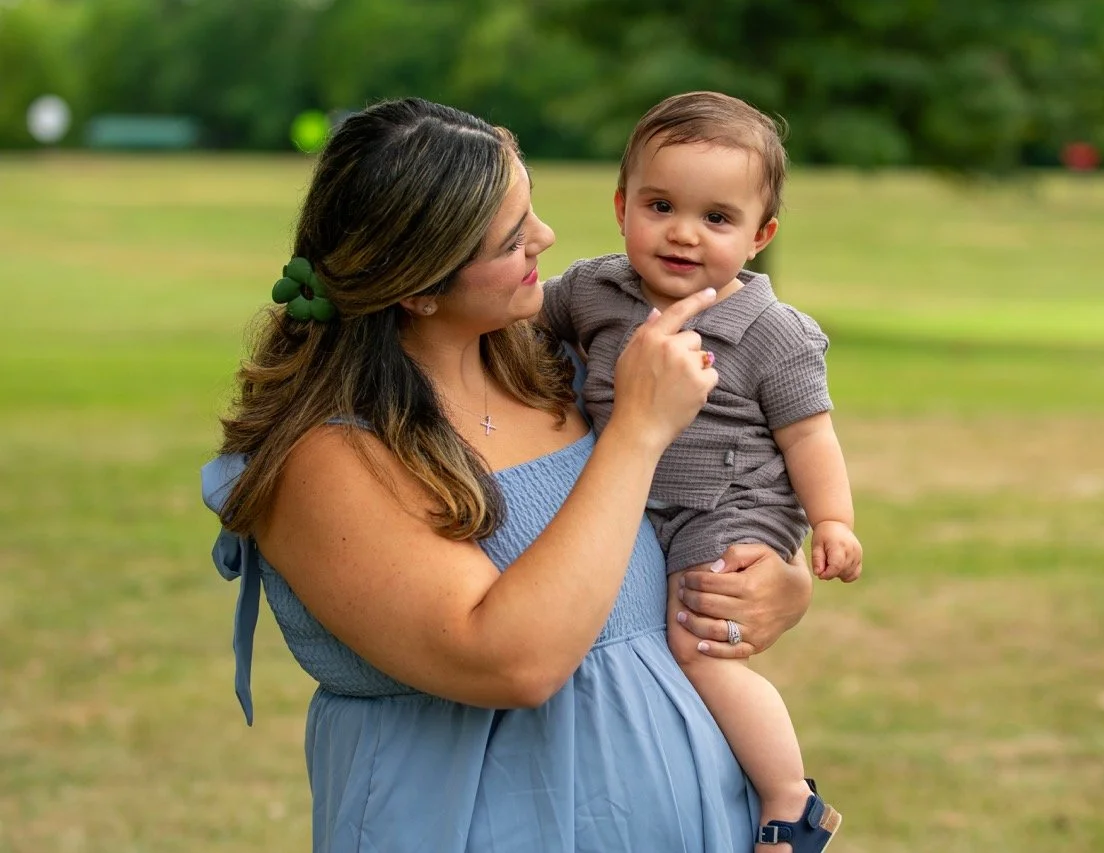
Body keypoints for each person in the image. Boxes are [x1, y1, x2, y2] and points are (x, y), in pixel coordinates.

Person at [199, 97, 819, 853]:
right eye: (512, 236)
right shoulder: (324, 460)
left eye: (532, 211)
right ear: (419, 287)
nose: (545, 238)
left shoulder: (563, 368)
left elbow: (711, 493)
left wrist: (780, 582)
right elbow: (512, 662)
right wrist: (637, 431)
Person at [539, 91, 863, 852]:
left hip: (727, 505)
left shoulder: (773, 332)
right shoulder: (591, 290)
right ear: (621, 206)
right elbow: (522, 324)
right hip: (635, 496)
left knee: (698, 644)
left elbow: (810, 435)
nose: (683, 233)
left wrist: (833, 520)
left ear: (760, 235)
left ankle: (789, 797)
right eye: (660, 206)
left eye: (717, 218)